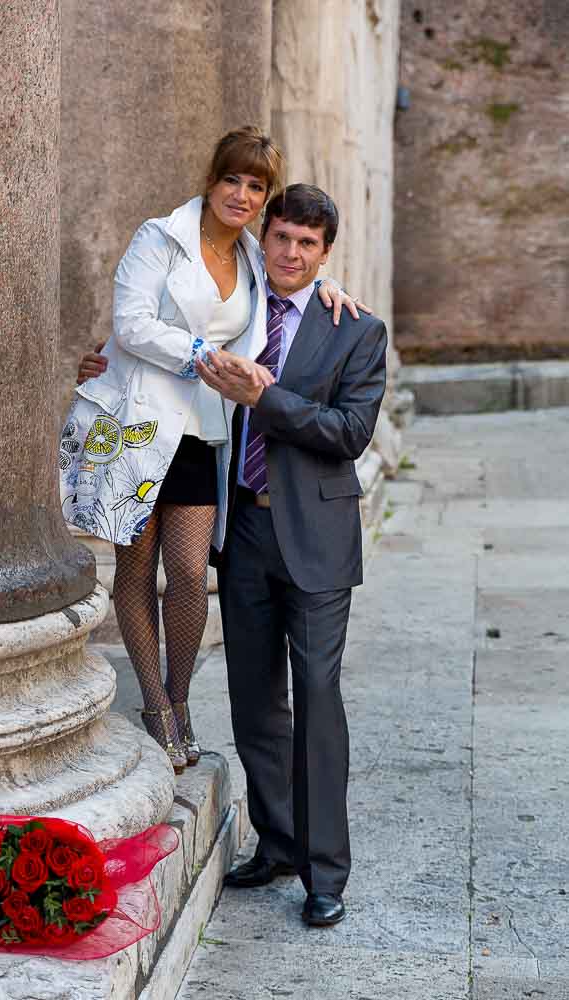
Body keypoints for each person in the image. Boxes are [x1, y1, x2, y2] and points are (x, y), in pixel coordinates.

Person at [62, 127, 364, 776]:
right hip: (142, 431)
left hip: (204, 433)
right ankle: (155, 707)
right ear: (212, 179)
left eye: (256, 186)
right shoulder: (159, 237)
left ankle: (181, 698)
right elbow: (133, 323)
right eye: (233, 179)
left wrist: (327, 286)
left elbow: (291, 279)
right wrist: (201, 355)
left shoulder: (256, 256)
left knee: (190, 575)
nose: (242, 194)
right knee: (136, 571)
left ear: (264, 199)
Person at [194, 183, 387, 928]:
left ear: (325, 253)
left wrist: (264, 397)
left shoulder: (356, 331)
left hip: (315, 538)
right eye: (281, 238)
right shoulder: (236, 308)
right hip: (243, 531)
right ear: (263, 237)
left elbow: (346, 433)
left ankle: (325, 871)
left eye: (308, 245)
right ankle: (276, 841)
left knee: (315, 698)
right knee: (253, 699)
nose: (291, 254)